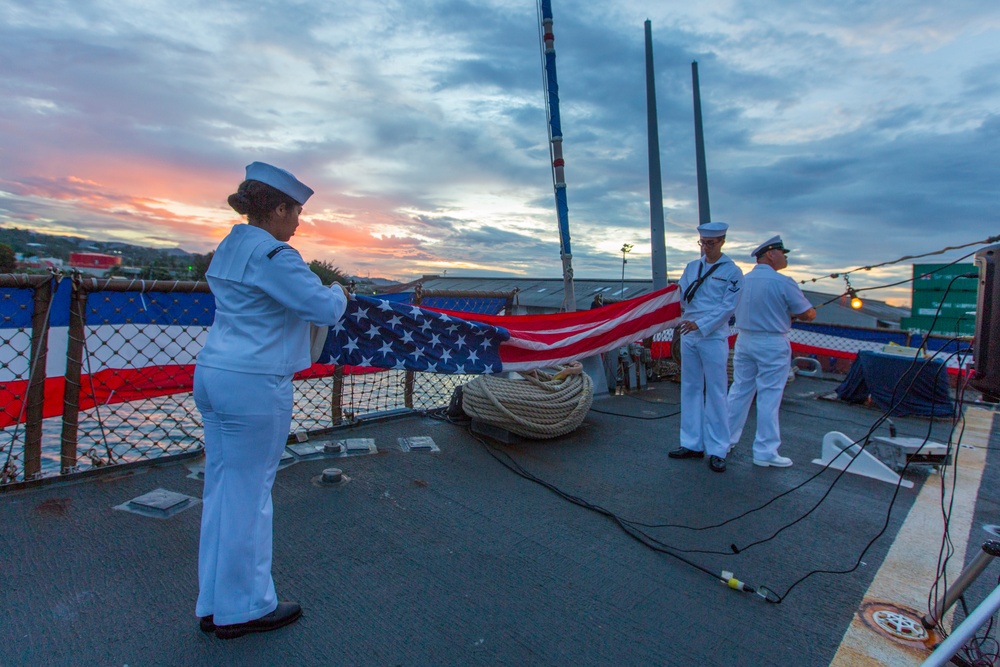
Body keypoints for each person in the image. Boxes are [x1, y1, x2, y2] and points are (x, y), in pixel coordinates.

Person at [193, 162, 350, 639]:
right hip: (255, 384)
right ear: (278, 207)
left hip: (214, 373)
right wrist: (340, 290)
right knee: (251, 494)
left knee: (222, 489)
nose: (299, 221)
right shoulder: (275, 255)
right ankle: (246, 607)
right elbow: (322, 308)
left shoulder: (230, 246)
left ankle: (214, 601)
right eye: (296, 210)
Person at [727, 235, 816, 468]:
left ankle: (723, 440)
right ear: (770, 254)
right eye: (782, 252)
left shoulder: (743, 281)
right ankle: (765, 451)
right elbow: (808, 313)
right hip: (772, 342)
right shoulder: (783, 282)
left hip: (744, 339)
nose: (785, 256)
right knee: (769, 396)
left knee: (739, 391)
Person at [669, 222, 743, 473]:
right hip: (688, 334)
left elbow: (727, 307)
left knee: (716, 391)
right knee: (689, 388)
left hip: (711, 336)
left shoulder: (732, 272)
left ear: (722, 241)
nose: (706, 248)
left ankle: (718, 448)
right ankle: (691, 443)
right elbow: (679, 296)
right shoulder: (692, 267)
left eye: (710, 244)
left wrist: (699, 324)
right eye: (702, 243)